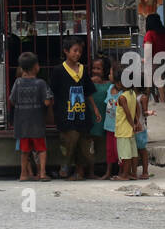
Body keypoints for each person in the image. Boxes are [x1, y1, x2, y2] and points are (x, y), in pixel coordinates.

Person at [49, 38, 98, 180]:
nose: (77, 54)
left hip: (82, 113)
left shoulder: (83, 70)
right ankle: (66, 165)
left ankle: (79, 172)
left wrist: (95, 109)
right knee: (70, 140)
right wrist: (52, 113)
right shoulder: (58, 70)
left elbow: (88, 91)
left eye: (80, 51)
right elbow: (52, 93)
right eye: (74, 51)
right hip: (66, 114)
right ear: (66, 51)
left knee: (83, 143)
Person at [9, 52, 53, 181]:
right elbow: (46, 101)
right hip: (37, 123)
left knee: (24, 151)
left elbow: (11, 100)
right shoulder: (40, 83)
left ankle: (23, 174)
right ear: (36, 67)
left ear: (22, 68)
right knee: (41, 149)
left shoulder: (17, 82)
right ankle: (43, 173)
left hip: (22, 123)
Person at [143, 14, 165, 105]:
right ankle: (163, 102)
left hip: (154, 61)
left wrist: (143, 60)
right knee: (161, 82)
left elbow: (148, 52)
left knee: (149, 83)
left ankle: (148, 103)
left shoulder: (150, 34)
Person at [89, 57, 112, 176]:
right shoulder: (89, 82)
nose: (95, 71)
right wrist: (91, 82)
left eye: (98, 68)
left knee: (107, 145)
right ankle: (91, 171)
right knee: (91, 145)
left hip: (106, 118)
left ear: (105, 70)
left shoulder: (110, 84)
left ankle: (108, 170)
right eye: (93, 68)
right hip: (93, 117)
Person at [113, 76, 139, 180]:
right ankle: (134, 173)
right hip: (130, 129)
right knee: (133, 152)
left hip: (123, 128)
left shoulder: (122, 97)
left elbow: (127, 112)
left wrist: (132, 124)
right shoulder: (132, 94)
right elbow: (136, 109)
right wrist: (136, 123)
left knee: (125, 153)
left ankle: (125, 175)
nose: (117, 84)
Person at [101, 73, 123, 179]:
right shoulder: (110, 88)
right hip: (109, 125)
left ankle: (121, 172)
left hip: (119, 127)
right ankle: (108, 172)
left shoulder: (123, 94)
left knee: (118, 150)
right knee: (109, 150)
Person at [135, 87, 154, 179]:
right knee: (137, 150)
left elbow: (144, 112)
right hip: (134, 127)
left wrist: (150, 113)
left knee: (142, 150)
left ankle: (145, 171)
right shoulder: (134, 95)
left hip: (140, 127)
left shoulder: (143, 97)